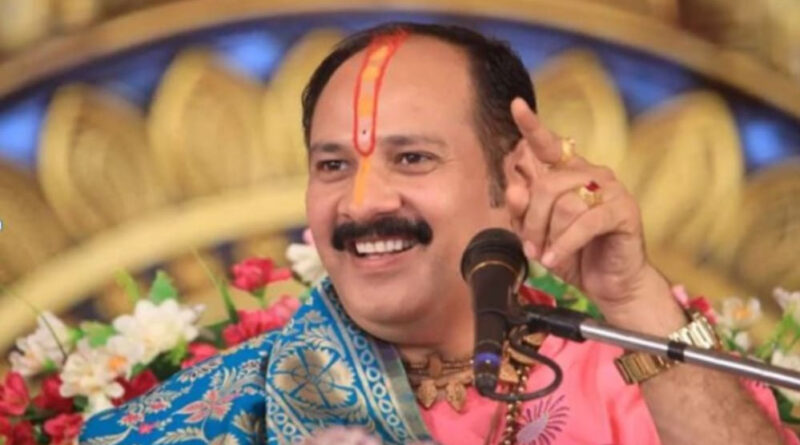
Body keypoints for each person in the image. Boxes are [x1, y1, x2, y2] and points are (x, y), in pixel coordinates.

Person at [79, 22, 796, 445]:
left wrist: (634, 297)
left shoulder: (626, 379)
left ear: (515, 176)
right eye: (333, 165)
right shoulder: (238, 408)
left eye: (412, 158)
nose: (362, 202)